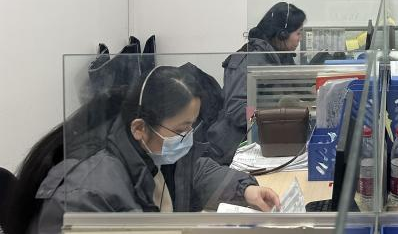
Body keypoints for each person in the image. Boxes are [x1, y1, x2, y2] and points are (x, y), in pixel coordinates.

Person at [7, 65, 280, 234]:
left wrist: (245, 190)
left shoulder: (150, 146)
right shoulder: (87, 191)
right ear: (139, 128)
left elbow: (195, 171)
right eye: (182, 129)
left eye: (191, 127)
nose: (188, 137)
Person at [207, 2, 306, 164]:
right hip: (235, 148)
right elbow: (237, 109)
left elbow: (294, 88)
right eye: (298, 33)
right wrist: (272, 115)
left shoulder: (281, 56)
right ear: (282, 34)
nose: (300, 39)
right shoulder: (248, 60)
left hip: (265, 140)